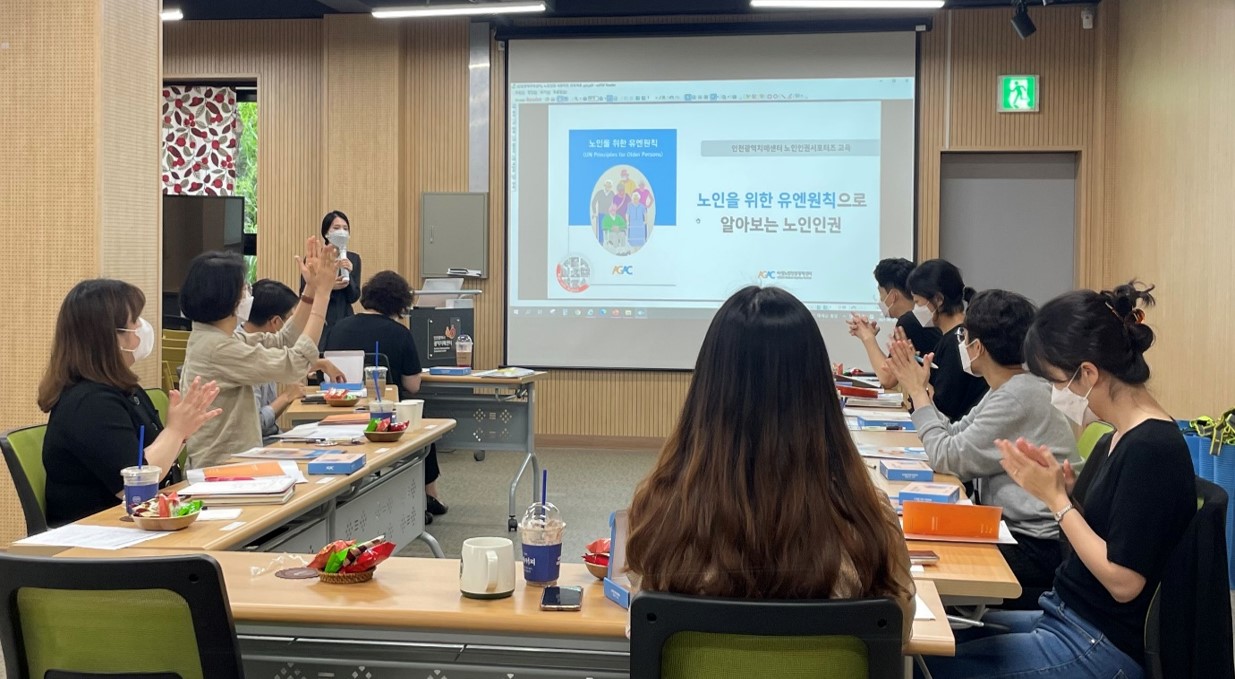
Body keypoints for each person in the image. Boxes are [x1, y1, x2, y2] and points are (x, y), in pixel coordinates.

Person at [920, 283, 1196, 679]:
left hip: (1097, 642)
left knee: (928, 667)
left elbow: (1124, 581)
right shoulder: (1119, 436)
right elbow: (1114, 534)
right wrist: (1066, 494)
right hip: (1066, 614)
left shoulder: (1152, 449)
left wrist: (1057, 502)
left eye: (1055, 382)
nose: (1053, 394)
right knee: (926, 645)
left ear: (1088, 373)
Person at [626, 286, 915, 643]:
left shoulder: (659, 512)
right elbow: (898, 633)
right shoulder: (868, 522)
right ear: (820, 394)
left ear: (707, 392)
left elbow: (643, 631)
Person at [887, 289, 1079, 608]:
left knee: (915, 562)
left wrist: (918, 394)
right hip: (1013, 531)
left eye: (964, 338)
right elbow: (954, 434)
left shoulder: (1017, 395)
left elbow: (947, 456)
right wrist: (923, 395)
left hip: (1034, 546)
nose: (962, 345)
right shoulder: (1010, 386)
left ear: (977, 347)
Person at [38, 279, 222, 526]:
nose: (141, 328)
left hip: (137, 524)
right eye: (134, 321)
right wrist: (175, 431)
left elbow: (153, 459)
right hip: (98, 533)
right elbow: (134, 487)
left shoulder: (124, 389)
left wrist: (181, 432)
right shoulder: (90, 404)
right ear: (110, 337)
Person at [181, 238, 340, 468]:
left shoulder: (217, 337)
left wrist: (312, 289)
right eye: (244, 288)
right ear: (226, 298)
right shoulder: (217, 348)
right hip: (223, 470)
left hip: (235, 463)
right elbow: (294, 363)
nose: (248, 293)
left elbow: (282, 341)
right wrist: (323, 296)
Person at [322, 270, 447, 520]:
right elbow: (413, 385)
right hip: (385, 416)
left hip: (339, 411)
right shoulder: (400, 333)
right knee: (424, 428)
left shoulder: (338, 328)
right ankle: (429, 494)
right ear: (400, 303)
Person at [906, 259, 988, 421]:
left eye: (918, 302)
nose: (916, 309)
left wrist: (916, 379)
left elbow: (942, 409)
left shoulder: (957, 343)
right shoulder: (956, 336)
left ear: (938, 300)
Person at [847, 258, 943, 386]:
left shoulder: (910, 321)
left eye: (881, 293)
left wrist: (867, 337)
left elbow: (887, 378)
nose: (880, 300)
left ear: (893, 296)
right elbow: (890, 369)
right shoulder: (917, 319)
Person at [300, 210, 361, 348]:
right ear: (326, 233)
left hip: (344, 316)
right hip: (321, 315)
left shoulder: (353, 258)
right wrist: (328, 285)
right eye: (336, 228)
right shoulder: (315, 257)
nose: (341, 232)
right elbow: (304, 291)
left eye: (345, 228)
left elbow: (354, 296)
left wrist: (349, 274)